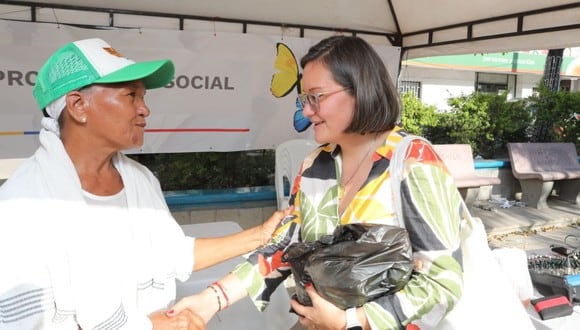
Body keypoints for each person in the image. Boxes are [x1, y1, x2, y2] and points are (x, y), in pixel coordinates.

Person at [168, 35, 467, 329]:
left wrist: (352, 321)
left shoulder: (413, 160)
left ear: (359, 90)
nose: (307, 111)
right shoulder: (314, 165)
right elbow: (283, 246)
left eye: (317, 97)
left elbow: (442, 282)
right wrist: (209, 300)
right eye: (304, 98)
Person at [0, 38, 289, 329]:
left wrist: (260, 235)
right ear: (78, 105)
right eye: (130, 96)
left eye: (143, 97)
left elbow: (173, 254)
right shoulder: (22, 206)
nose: (144, 110)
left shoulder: (139, 180)